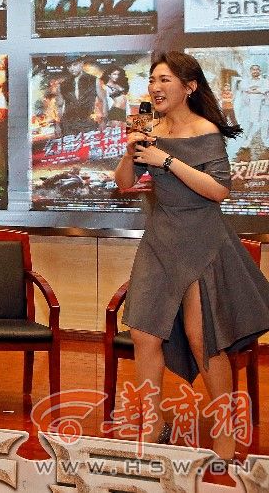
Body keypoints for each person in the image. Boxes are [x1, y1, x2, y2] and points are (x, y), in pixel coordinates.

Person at [113, 51, 269, 462]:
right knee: (144, 332)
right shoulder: (148, 128)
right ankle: (152, 425)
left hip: (201, 240)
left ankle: (225, 430)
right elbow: (125, 183)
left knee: (205, 339)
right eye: (152, 80)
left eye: (164, 80)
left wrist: (166, 160)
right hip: (160, 238)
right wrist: (130, 152)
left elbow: (218, 190)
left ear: (189, 86)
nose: (155, 87)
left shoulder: (206, 131)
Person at [57, 56, 107, 135]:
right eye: (69, 66)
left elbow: (103, 100)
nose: (72, 68)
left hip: (88, 124)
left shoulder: (94, 80)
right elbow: (59, 106)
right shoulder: (63, 85)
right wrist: (57, 125)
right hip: (68, 126)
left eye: (75, 65)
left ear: (81, 63)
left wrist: (103, 120)